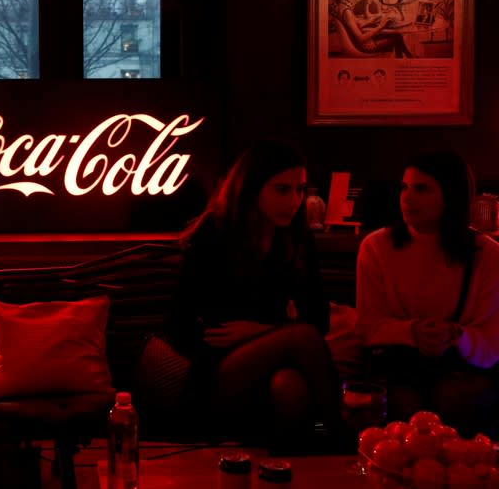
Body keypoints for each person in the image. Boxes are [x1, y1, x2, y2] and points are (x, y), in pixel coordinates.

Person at [164, 138, 342, 452]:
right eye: (282, 190)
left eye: (301, 190)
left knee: (291, 386)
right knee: (300, 338)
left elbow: (320, 321)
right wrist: (230, 339)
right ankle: (339, 440)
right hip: (218, 370)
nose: (295, 201)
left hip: (279, 361)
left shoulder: (296, 237)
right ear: (251, 188)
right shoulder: (214, 234)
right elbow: (177, 325)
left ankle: (291, 470)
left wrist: (263, 333)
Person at [356, 150, 499, 438]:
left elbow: (492, 345)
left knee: (455, 395)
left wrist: (455, 335)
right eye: (404, 187)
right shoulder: (377, 246)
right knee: (402, 400)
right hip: (397, 362)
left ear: (451, 195)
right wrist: (412, 332)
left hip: (462, 366)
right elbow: (367, 328)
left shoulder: (487, 254)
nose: (407, 198)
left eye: (421, 189)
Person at [333, 0, 413, 58]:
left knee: (397, 36)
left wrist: (372, 20)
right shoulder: (347, 12)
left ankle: (405, 57)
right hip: (363, 47)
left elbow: (356, 24)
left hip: (360, 42)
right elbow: (360, 39)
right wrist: (380, 26)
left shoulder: (342, 7)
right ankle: (406, 58)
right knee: (397, 38)